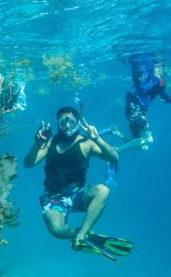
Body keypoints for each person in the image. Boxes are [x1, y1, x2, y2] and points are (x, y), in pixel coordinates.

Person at [23, 106, 119, 250]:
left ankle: (81, 235)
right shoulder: (50, 142)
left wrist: (97, 139)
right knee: (56, 230)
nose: (67, 126)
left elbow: (114, 157)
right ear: (57, 123)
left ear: (77, 122)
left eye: (71, 122)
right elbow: (28, 164)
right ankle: (78, 234)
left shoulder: (86, 143)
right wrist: (37, 145)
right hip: (53, 196)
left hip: (76, 195)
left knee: (103, 190)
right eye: (63, 122)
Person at [116, 53, 171, 153]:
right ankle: (117, 150)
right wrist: (155, 79)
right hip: (134, 107)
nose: (161, 70)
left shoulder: (159, 82)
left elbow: (166, 98)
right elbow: (142, 88)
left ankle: (116, 133)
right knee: (149, 139)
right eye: (160, 68)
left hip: (138, 110)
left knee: (142, 146)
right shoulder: (149, 75)